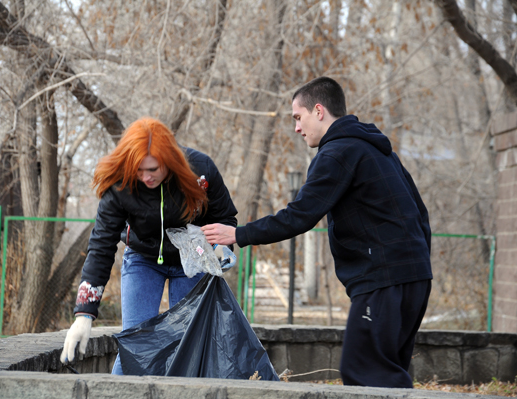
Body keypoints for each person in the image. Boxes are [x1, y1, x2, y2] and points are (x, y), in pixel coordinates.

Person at [202, 77, 432, 388]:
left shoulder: (337, 152)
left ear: (319, 111)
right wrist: (415, 264)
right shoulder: (378, 150)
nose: (296, 128)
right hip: (414, 277)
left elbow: (299, 216)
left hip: (384, 279)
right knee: (387, 375)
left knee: (364, 371)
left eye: (298, 117)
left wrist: (238, 234)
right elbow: (421, 213)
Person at [61, 117, 238, 375]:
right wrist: (84, 314)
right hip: (143, 260)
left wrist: (224, 246)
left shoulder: (200, 170)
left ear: (169, 162)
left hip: (191, 261)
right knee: (135, 346)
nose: (145, 177)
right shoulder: (120, 184)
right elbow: (101, 246)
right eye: (139, 170)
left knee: (187, 346)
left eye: (153, 170)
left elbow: (225, 217)